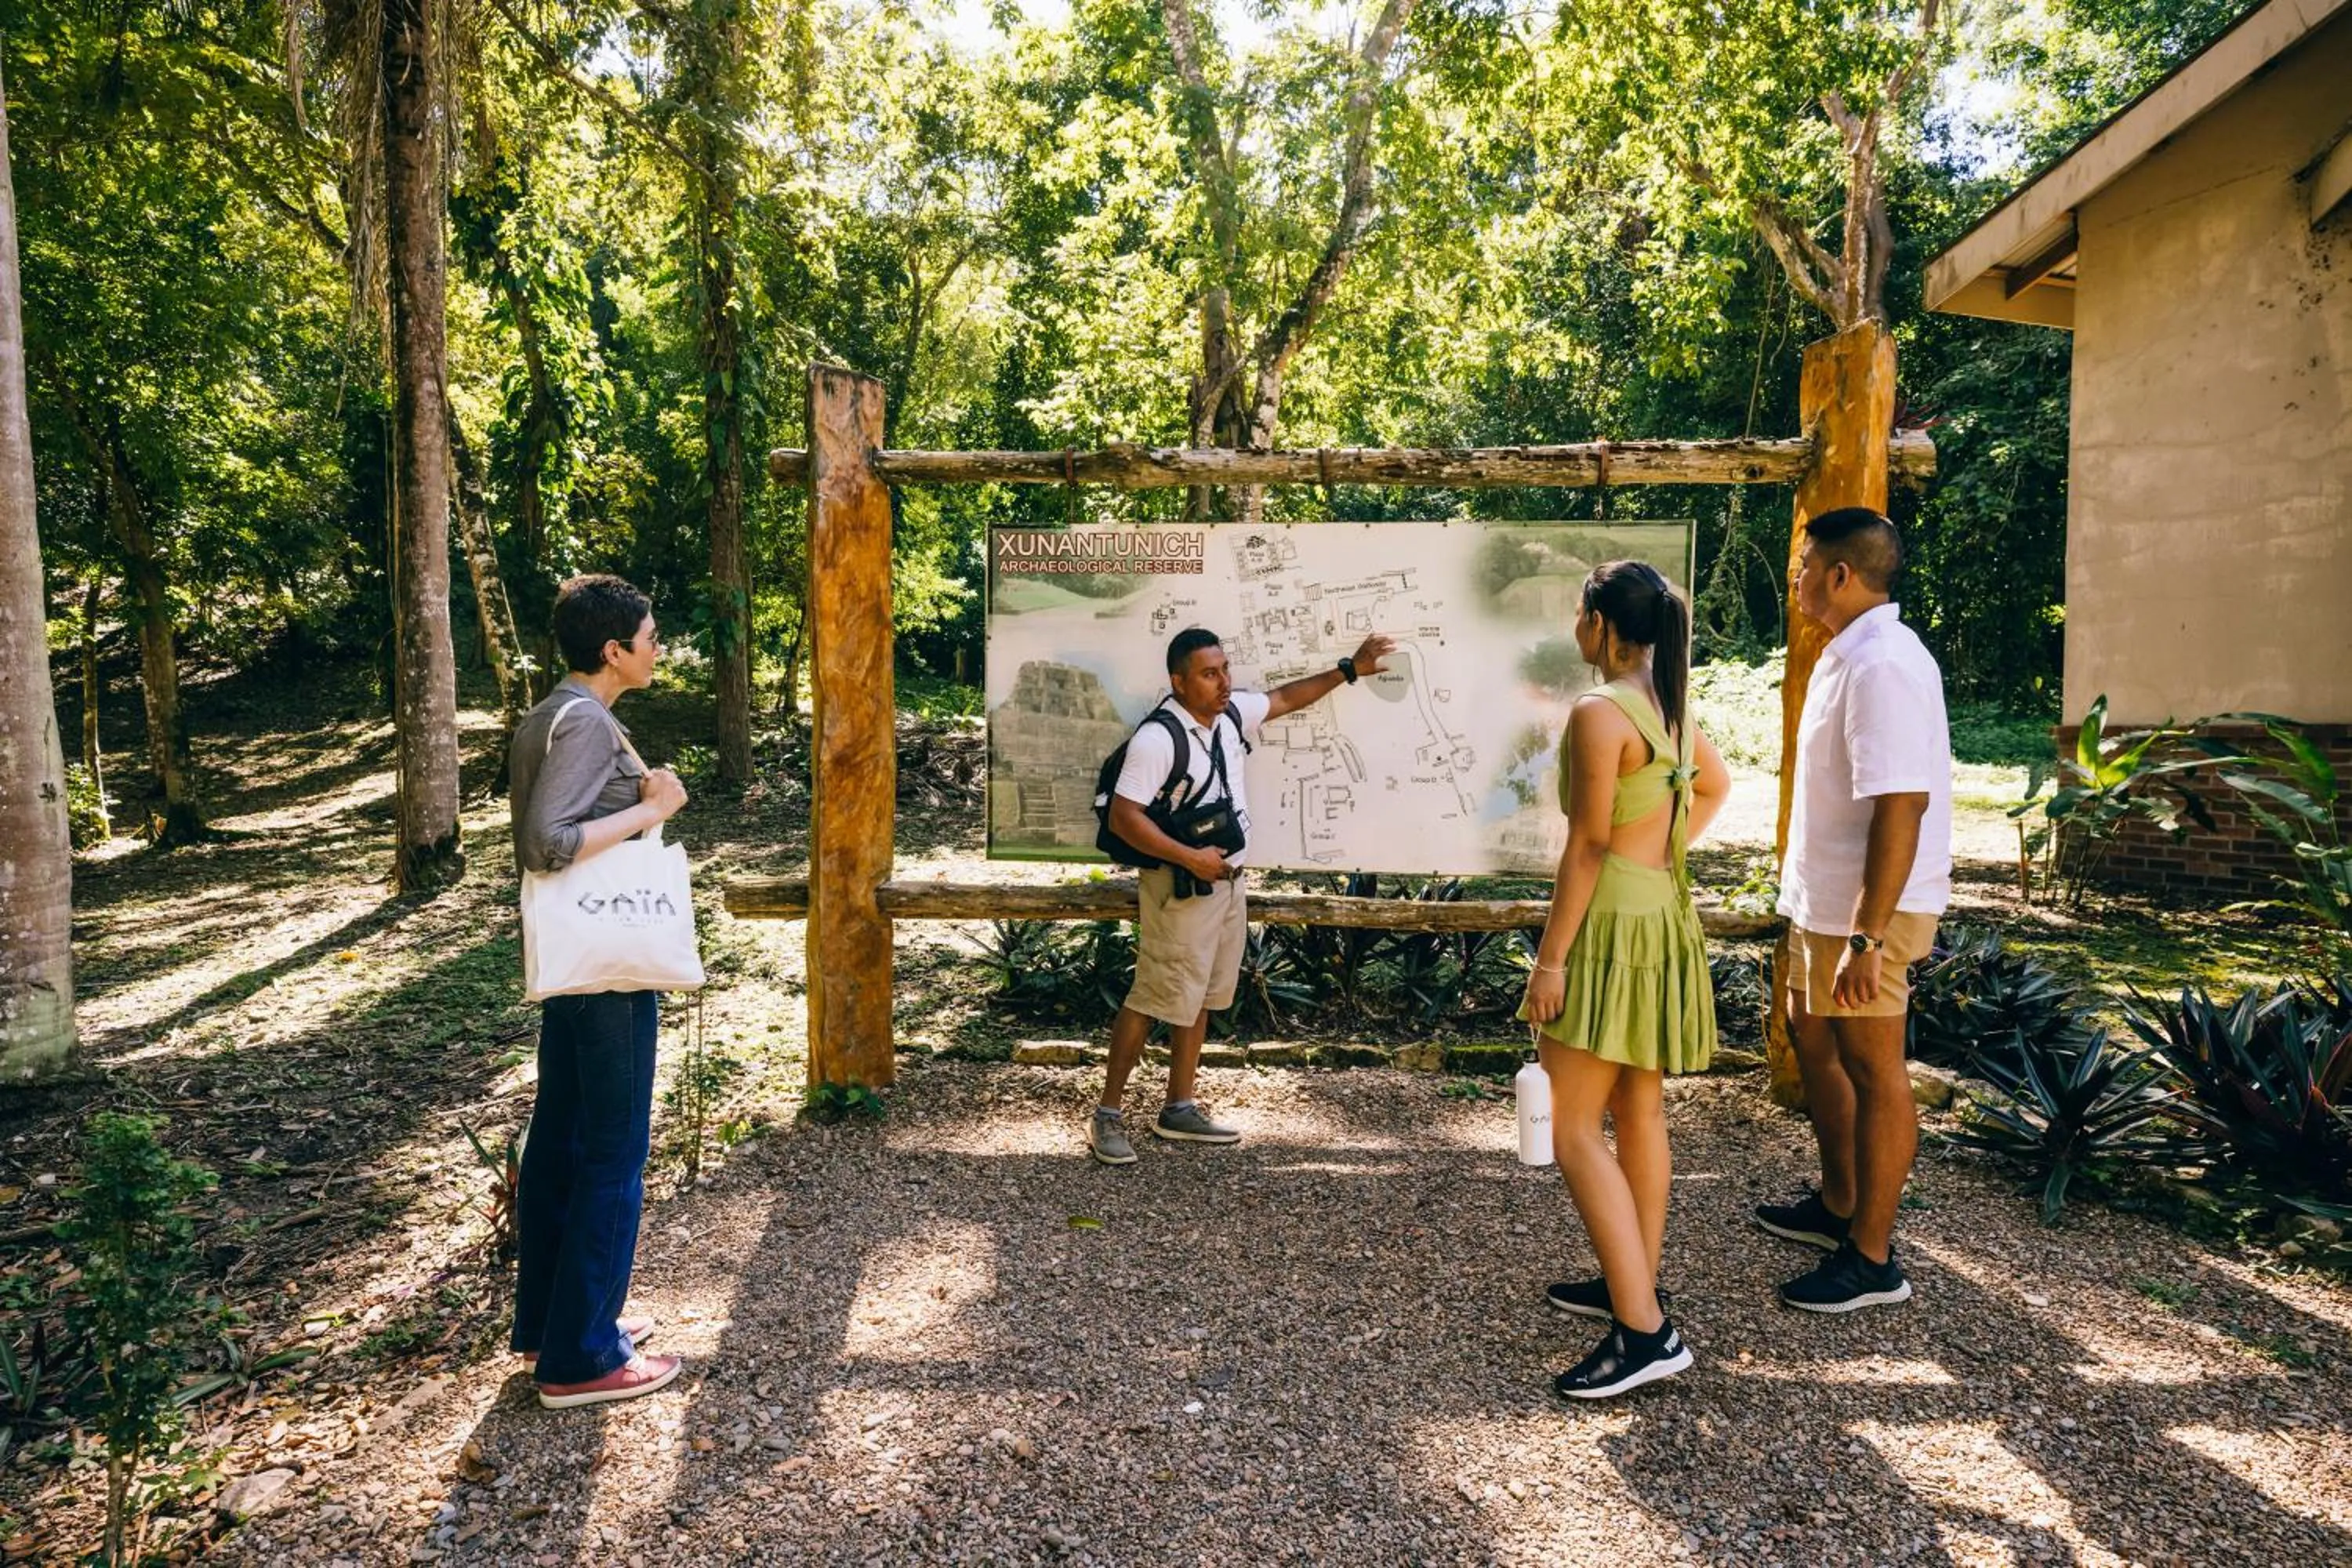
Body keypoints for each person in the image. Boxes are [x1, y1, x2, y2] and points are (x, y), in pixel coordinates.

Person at [1520, 561, 1730, 1399]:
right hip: (1660, 913)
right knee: (1637, 1108)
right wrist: (1661, 848)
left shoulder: (1600, 711)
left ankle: (1645, 1330)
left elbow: (1589, 846)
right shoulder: (1667, 698)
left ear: (1603, 624)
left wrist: (1550, 959)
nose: (1575, 624)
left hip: (1609, 923)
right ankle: (1631, 1281)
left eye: (1581, 611)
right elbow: (1712, 784)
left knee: (1574, 1127)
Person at [1088, 626, 1396, 1164]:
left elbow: (1283, 698)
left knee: (1201, 995)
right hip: (1182, 885)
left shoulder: (1228, 715)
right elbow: (1124, 816)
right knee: (1153, 995)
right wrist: (1190, 858)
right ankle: (1107, 1116)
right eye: (1209, 674)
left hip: (1226, 883)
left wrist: (1349, 670)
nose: (1224, 682)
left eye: (1225, 669)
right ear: (1179, 682)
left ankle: (1178, 1106)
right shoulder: (1158, 739)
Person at [1754, 507, 1952, 1313]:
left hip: (1871, 911)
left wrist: (1870, 935)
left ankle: (1873, 1258)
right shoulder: (1848, 652)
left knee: (1875, 1067)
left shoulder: (1885, 665)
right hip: (1827, 900)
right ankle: (1838, 1202)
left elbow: (1902, 805)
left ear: (1840, 573)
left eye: (1804, 564)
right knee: (1817, 1042)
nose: (1795, 578)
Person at [508, 574, 691, 1409]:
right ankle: (583, 1357)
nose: (659, 648)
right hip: (608, 971)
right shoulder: (585, 721)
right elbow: (549, 843)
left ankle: (558, 1319)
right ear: (613, 649)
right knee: (613, 1149)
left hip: (577, 964)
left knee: (565, 1140)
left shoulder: (552, 714)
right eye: (651, 636)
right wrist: (656, 805)